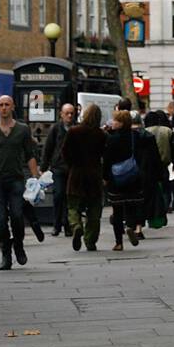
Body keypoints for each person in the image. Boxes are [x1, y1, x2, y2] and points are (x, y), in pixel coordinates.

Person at [0, 95, 40, 271]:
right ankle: (6, 254)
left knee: (18, 217)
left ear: (13, 107)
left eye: (7, 105)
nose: (4, 108)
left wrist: (35, 178)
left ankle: (18, 244)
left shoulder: (22, 129)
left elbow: (30, 155)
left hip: (16, 180)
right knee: (2, 220)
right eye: (1, 105)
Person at [103, 107, 163, 250]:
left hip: (116, 178)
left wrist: (105, 177)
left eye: (116, 120)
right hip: (133, 177)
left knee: (117, 211)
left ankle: (118, 242)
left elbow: (107, 160)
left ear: (121, 123)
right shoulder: (135, 136)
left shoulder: (112, 139)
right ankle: (131, 226)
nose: (113, 122)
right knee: (132, 206)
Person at [62, 102, 106, 252]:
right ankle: (90, 240)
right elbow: (104, 155)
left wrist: (71, 165)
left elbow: (65, 152)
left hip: (76, 174)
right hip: (94, 175)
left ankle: (76, 225)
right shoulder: (101, 134)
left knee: (73, 206)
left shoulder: (74, 131)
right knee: (94, 211)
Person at [41, 102, 76, 236]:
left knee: (69, 197)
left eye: (71, 113)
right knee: (58, 195)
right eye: (66, 113)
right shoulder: (56, 128)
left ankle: (68, 225)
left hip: (73, 168)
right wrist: (44, 166)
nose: (69, 115)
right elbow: (48, 147)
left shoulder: (76, 128)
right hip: (58, 167)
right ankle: (57, 225)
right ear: (61, 114)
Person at [144, 110, 174, 211]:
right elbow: (173, 148)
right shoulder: (167, 131)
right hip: (164, 162)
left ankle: (153, 207)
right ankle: (166, 205)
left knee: (151, 187)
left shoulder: (145, 131)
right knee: (166, 186)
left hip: (148, 164)